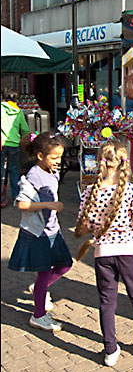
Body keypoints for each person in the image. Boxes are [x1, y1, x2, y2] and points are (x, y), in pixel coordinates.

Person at [74, 140, 133, 365]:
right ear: (124, 163)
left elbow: (81, 229)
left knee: (106, 301)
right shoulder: (130, 190)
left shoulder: (90, 192)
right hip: (128, 251)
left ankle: (110, 349)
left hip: (102, 253)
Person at [8, 132, 72, 332]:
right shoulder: (33, 175)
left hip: (53, 229)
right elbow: (21, 203)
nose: (58, 161)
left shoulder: (52, 172)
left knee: (65, 264)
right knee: (44, 272)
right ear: (40, 156)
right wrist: (48, 204)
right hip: (38, 233)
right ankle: (38, 315)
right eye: (54, 158)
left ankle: (39, 290)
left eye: (60, 157)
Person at [1, 89, 30, 207]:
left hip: (1, 143)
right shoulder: (19, 112)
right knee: (14, 170)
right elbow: (25, 130)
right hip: (14, 145)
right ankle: (16, 196)